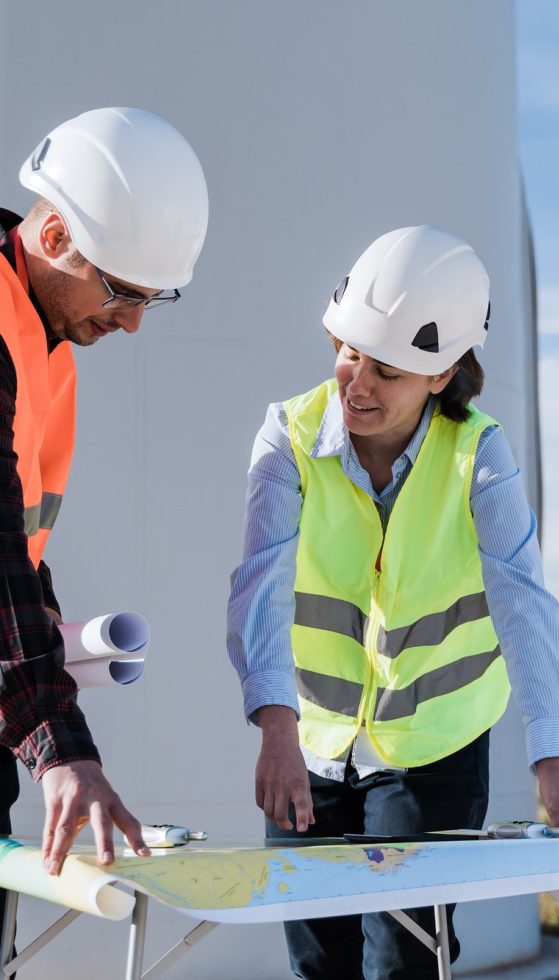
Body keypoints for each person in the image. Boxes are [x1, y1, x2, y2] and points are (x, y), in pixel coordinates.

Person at [227, 224, 559, 979]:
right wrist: (275, 725)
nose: (356, 384)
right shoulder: (289, 437)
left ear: (440, 376)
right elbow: (259, 584)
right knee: (315, 961)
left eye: (388, 371)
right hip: (311, 739)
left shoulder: (479, 454)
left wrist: (553, 755)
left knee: (403, 960)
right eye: (349, 353)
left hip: (433, 746)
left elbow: (523, 600)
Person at [0, 107, 209, 879]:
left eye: (152, 299)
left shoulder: (41, 347)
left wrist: (45, 620)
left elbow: (16, 540)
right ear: (54, 237)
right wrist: (61, 747)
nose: (132, 325)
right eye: (122, 292)